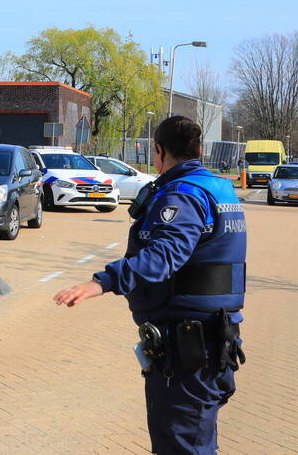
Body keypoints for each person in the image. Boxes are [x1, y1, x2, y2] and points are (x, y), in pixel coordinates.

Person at [54, 116, 246, 454]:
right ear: (198, 149)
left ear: (158, 151)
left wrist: (103, 282)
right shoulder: (219, 189)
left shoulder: (183, 197)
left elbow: (165, 254)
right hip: (210, 341)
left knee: (182, 445)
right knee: (196, 441)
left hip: (188, 348)